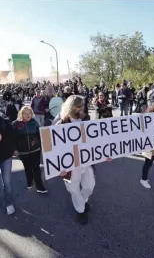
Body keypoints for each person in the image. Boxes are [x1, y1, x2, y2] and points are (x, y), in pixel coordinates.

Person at [56, 95, 111, 224]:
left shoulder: (86, 120)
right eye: (80, 106)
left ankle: (83, 201)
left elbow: (95, 140)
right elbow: (55, 147)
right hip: (70, 163)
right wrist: (60, 167)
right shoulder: (62, 122)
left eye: (82, 106)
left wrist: (104, 154)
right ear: (73, 107)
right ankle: (80, 210)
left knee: (89, 185)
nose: (83, 109)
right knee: (73, 188)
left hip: (86, 161)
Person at [12, 106, 47, 194]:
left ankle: (40, 186)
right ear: (21, 114)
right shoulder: (15, 124)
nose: (28, 115)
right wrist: (14, 149)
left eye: (29, 113)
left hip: (35, 150)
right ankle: (30, 182)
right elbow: (12, 138)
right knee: (28, 168)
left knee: (36, 168)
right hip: (23, 152)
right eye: (25, 113)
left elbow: (40, 136)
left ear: (32, 114)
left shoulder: (35, 123)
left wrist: (44, 146)